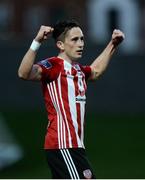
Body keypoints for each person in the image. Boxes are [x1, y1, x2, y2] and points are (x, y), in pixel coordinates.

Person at [18, 20, 125, 179]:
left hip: (74, 146)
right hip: (62, 145)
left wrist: (113, 44)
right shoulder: (53, 66)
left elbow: (95, 71)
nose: (80, 43)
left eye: (82, 39)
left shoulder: (78, 70)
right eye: (74, 40)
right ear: (61, 45)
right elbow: (24, 73)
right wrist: (37, 41)